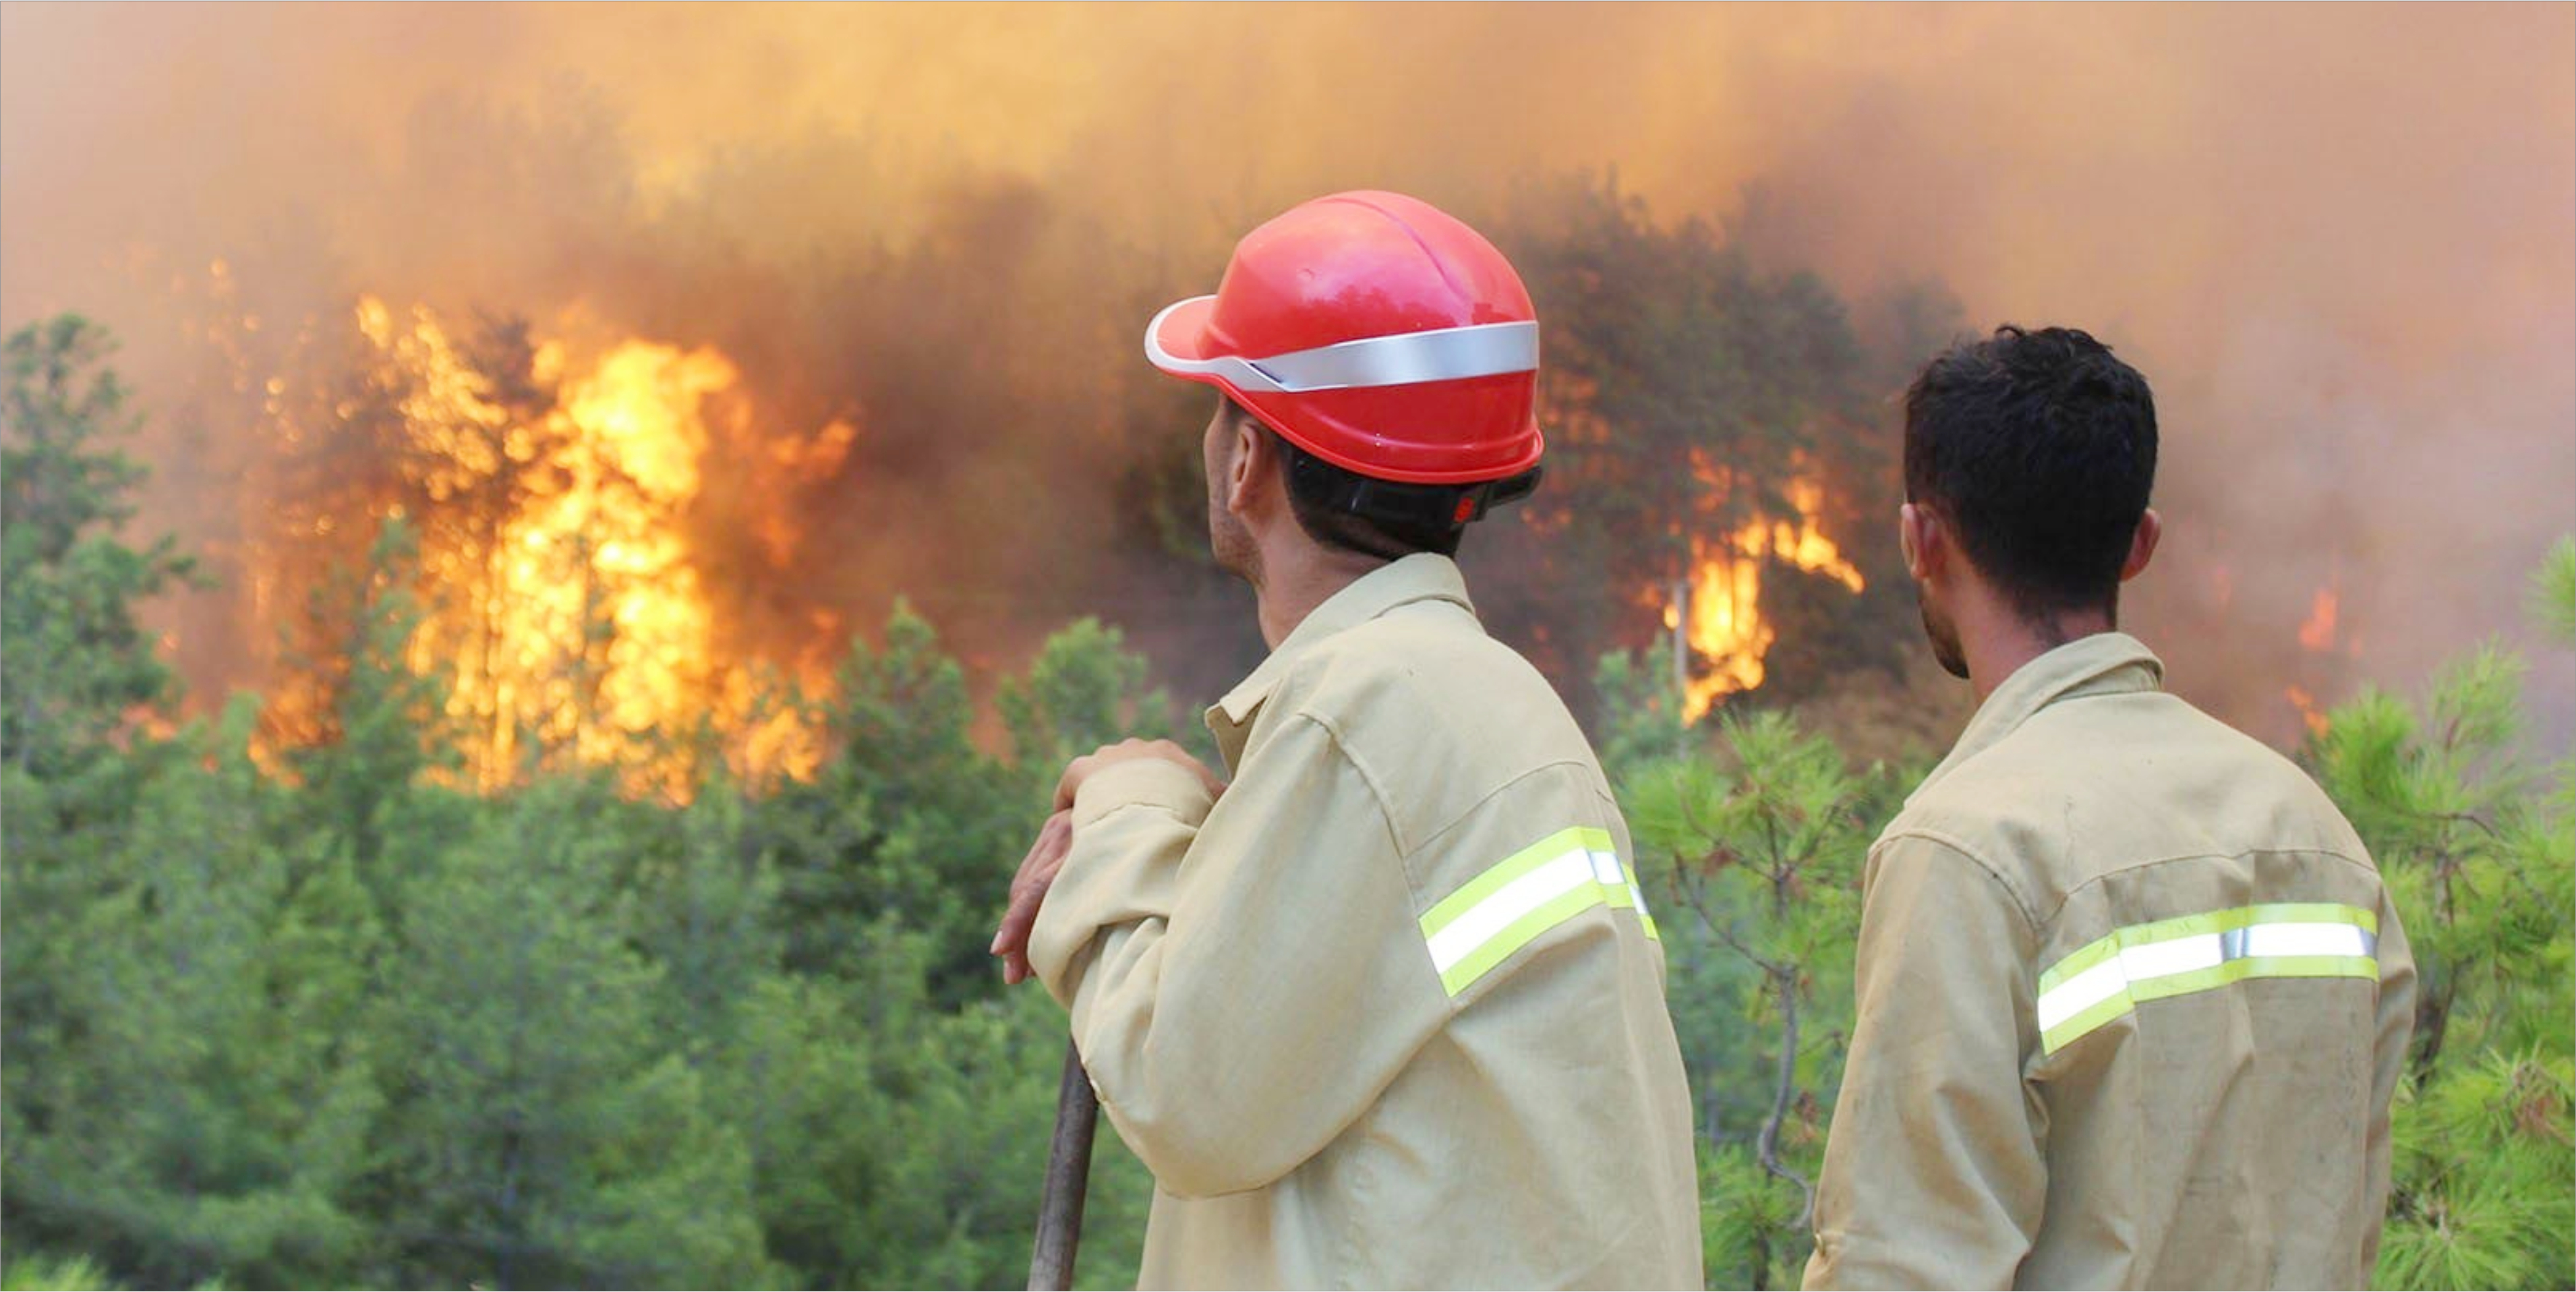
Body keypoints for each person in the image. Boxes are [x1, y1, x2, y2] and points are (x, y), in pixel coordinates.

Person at [988, 191, 1702, 1289]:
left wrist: (1125, 811)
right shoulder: (1497, 713)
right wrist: (1181, 823)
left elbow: (1187, 1092)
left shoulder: (1363, 719)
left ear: (1247, 466)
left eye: (1221, 410)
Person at [1802, 326, 2416, 1289]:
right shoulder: (2319, 837)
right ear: (2139, 544)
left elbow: (1904, 1261)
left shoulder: (1969, 852)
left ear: (1921, 540)